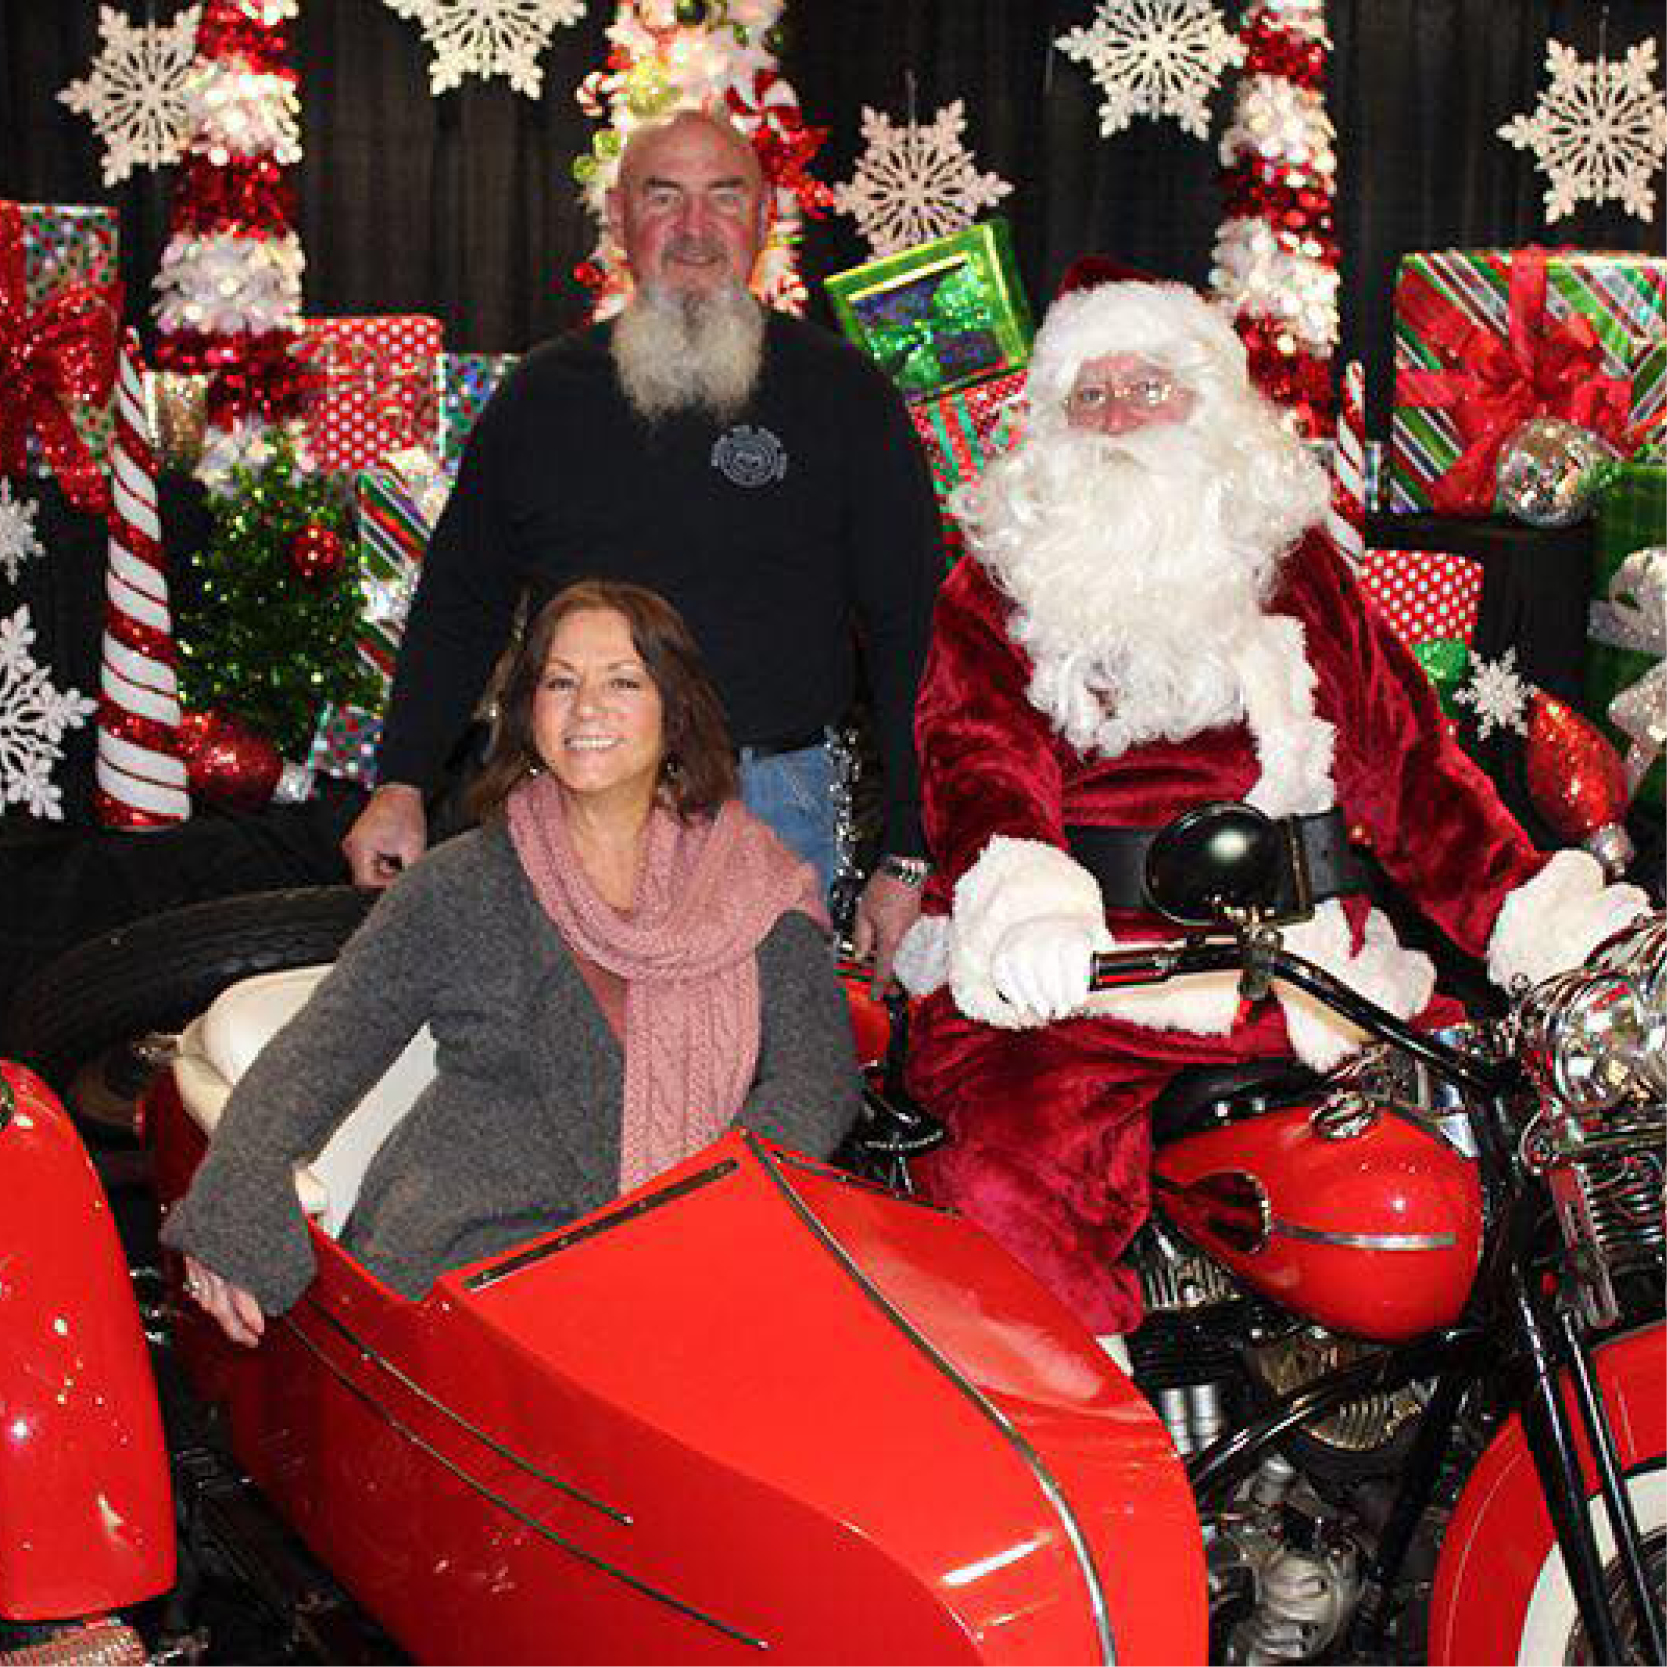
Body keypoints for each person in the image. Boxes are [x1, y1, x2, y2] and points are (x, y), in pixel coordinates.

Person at [896, 274, 1650, 1338]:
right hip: (1091, 990)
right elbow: (977, 766)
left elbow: (1413, 777)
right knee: (1002, 1184)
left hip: (1309, 974)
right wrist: (1024, 906)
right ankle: (1088, 1476)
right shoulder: (997, 586)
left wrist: (1532, 913)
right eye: (1087, 395)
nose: (1115, 417)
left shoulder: (1295, 569)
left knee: (1511, 1154)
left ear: (1205, 402)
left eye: (1144, 385)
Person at [167, 580, 862, 1345]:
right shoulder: (462, 880)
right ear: (530, 712)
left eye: (622, 681)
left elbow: (816, 1078)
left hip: (696, 1255)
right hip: (470, 1260)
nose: (586, 707)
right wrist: (236, 1194)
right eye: (560, 681)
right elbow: (322, 1050)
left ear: (677, 712)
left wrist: (703, 1210)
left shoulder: (750, 880)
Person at [341, 108, 941, 988]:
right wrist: (399, 782)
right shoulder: (543, 396)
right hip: (568, 804)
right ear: (620, 219)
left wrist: (913, 853)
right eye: (664, 198)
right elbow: (459, 603)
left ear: (763, 218)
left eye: (722, 197)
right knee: (565, 1078)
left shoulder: (843, 395)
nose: (694, 231)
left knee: (768, 1081)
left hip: (777, 806)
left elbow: (913, 631)